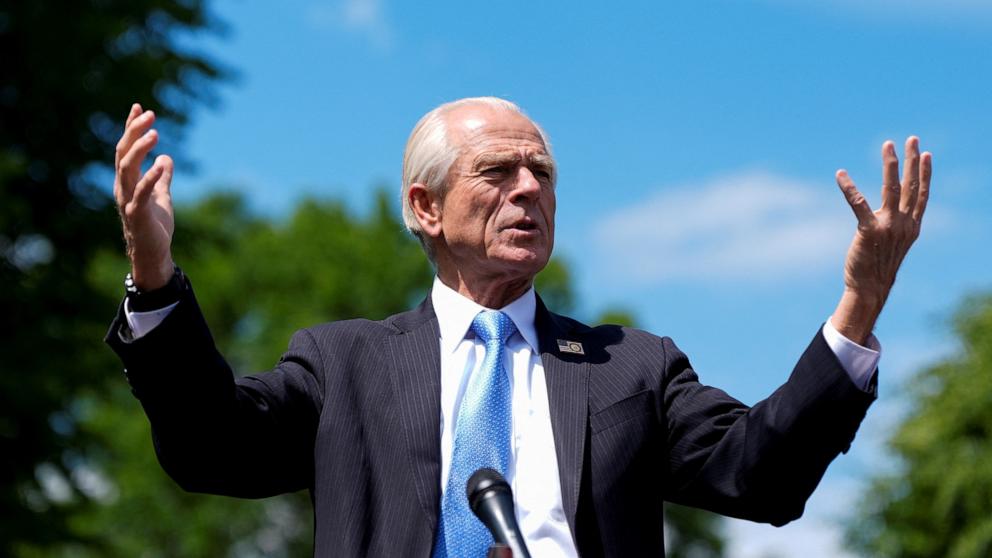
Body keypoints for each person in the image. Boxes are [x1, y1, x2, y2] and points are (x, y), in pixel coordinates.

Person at [106, 97, 932, 557]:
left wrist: (861, 300)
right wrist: (154, 277)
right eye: (497, 172)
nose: (529, 189)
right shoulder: (342, 363)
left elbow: (762, 476)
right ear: (424, 207)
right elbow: (210, 447)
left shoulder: (629, 366)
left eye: (542, 171)